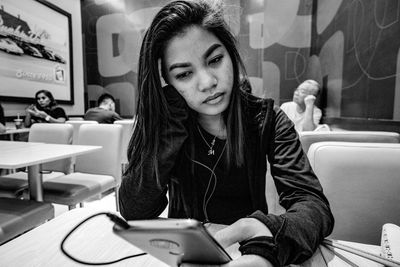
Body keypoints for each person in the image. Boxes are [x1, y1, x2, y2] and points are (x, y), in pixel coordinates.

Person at [119, 1, 334, 266]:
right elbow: (134, 211)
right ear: (167, 83)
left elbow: (312, 204)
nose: (208, 82)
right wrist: (168, 124)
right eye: (184, 74)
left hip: (248, 248)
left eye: (216, 60)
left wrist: (268, 237)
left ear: (231, 56)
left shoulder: (268, 120)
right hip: (183, 254)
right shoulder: (168, 125)